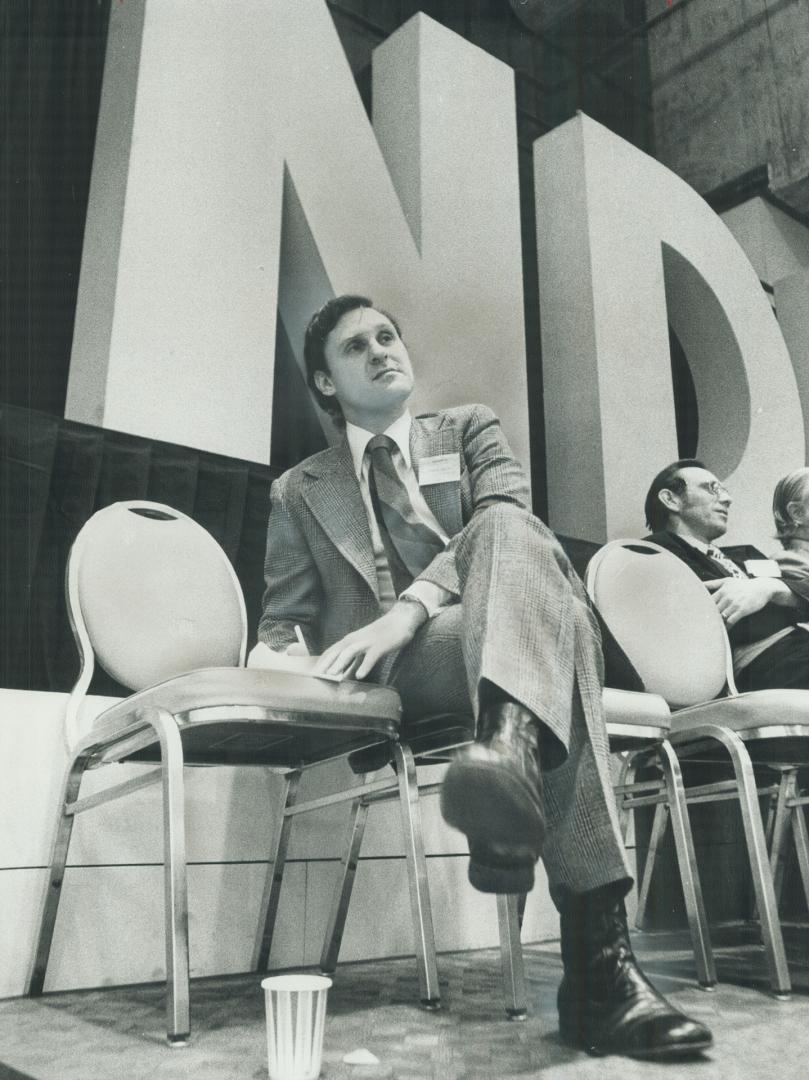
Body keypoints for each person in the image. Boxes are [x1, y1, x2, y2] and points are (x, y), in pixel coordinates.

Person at [257, 295, 712, 1059]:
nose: (380, 351)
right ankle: (598, 972)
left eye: (387, 335)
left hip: (492, 625)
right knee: (559, 632)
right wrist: (287, 668)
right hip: (406, 670)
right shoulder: (298, 488)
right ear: (326, 383)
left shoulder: (466, 427)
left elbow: (504, 513)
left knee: (508, 536)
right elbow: (282, 617)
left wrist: (406, 606)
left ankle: (509, 755)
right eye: (354, 348)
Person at [644, 459, 809, 691]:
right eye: (711, 488)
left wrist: (771, 589)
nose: (727, 499)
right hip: (762, 665)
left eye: (724, 490)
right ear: (671, 499)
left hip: (795, 648)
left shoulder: (747, 555)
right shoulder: (655, 553)